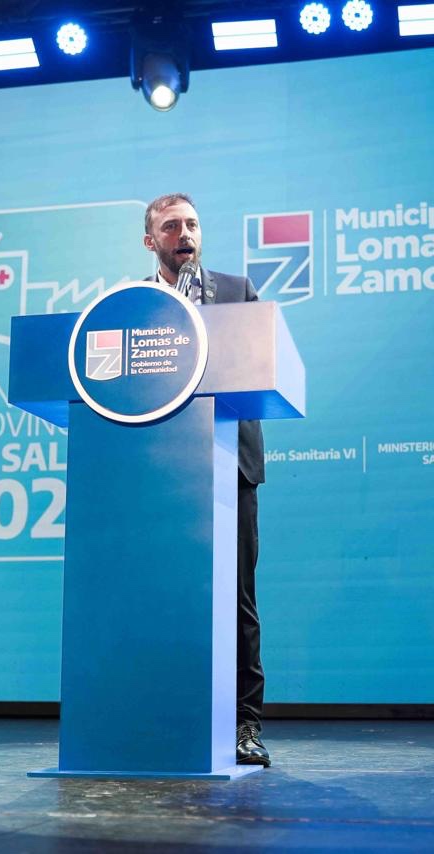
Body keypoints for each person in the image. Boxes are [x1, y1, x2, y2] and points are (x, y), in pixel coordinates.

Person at [142, 193, 270, 766]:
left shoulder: (238, 291)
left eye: (192, 224)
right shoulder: (135, 303)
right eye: (172, 227)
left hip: (229, 467)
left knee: (236, 599)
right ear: (152, 241)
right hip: (157, 470)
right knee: (163, 595)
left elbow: (263, 363)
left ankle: (245, 726)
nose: (185, 234)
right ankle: (164, 719)